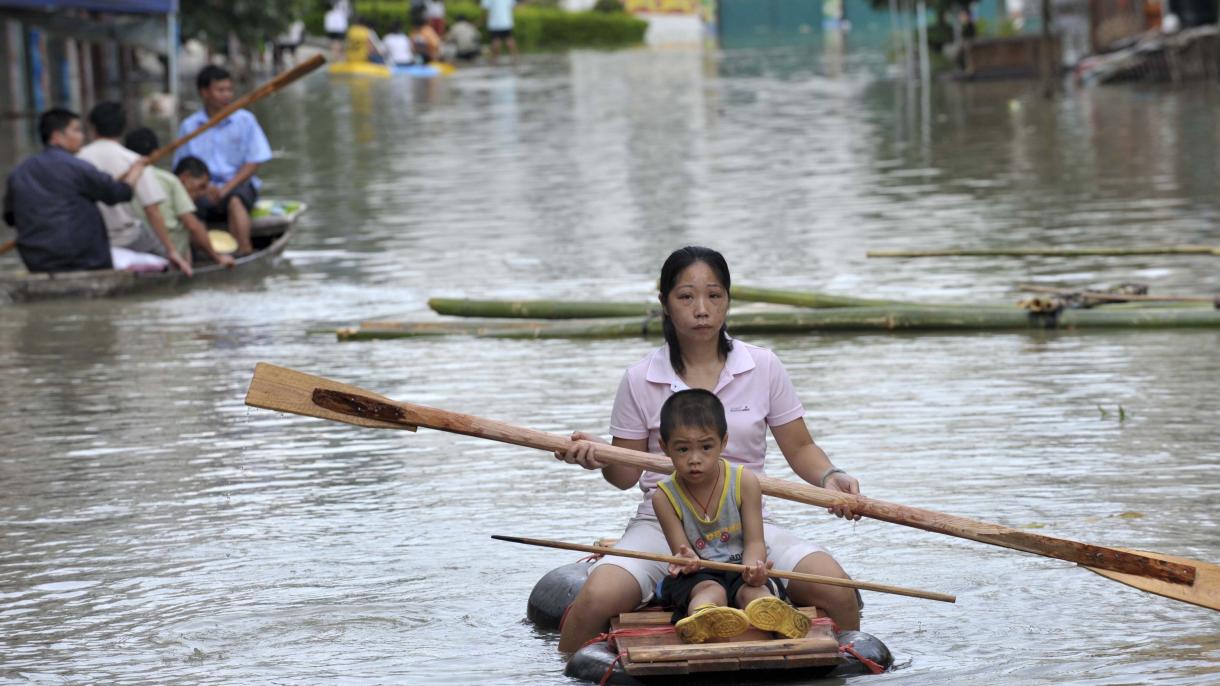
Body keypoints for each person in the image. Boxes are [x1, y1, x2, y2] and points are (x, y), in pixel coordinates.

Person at [555, 246, 862, 653]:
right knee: (595, 599)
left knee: (839, 591)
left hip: (749, 525)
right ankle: (565, 670)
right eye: (686, 297)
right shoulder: (640, 378)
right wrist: (600, 459)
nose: (702, 309)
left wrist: (829, 477)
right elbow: (625, 477)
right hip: (663, 525)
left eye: (714, 296)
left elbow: (801, 446)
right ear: (665, 303)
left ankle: (842, 664)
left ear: (727, 301)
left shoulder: (763, 365)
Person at [654, 389, 812, 644]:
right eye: (682, 449)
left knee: (755, 590)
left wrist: (754, 568)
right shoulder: (664, 497)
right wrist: (688, 561)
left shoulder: (744, 482)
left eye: (706, 447)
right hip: (699, 575)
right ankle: (704, 617)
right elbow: (681, 550)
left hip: (741, 567)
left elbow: (754, 541)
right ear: (664, 447)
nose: (695, 459)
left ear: (723, 442)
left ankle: (776, 616)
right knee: (709, 590)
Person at [3, 109, 147, 273]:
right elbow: (121, 193)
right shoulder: (78, 167)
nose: (82, 137)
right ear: (57, 136)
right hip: (84, 259)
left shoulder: (19, 172)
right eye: (76, 130)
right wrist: (136, 171)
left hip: (36, 262)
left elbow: (10, 218)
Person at [76, 102, 191, 275]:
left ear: (92, 128)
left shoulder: (76, 160)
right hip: (128, 238)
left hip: (90, 240)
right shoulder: (133, 161)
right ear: (123, 128)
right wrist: (171, 251)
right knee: (171, 260)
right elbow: (152, 211)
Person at [173, 65, 272, 256]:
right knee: (190, 207)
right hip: (202, 188)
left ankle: (243, 251)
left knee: (235, 200)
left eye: (229, 90)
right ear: (204, 92)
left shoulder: (245, 120)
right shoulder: (189, 126)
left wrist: (225, 188)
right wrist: (203, 188)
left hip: (238, 184)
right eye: (220, 90)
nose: (227, 95)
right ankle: (202, 255)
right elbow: (183, 168)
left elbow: (254, 161)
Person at [123, 128, 235, 269]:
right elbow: (192, 225)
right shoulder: (168, 180)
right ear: (156, 153)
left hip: (132, 248)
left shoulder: (120, 181)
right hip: (165, 251)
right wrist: (217, 258)